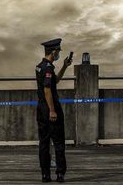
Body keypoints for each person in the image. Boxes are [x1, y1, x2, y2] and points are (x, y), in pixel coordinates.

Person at [35, 38, 72, 182]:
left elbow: (54, 81)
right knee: (58, 143)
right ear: (54, 51)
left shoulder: (40, 66)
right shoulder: (48, 68)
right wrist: (52, 110)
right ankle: (60, 174)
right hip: (51, 109)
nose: (59, 55)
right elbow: (47, 90)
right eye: (58, 52)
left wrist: (64, 67)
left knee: (44, 143)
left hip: (41, 110)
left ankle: (45, 174)